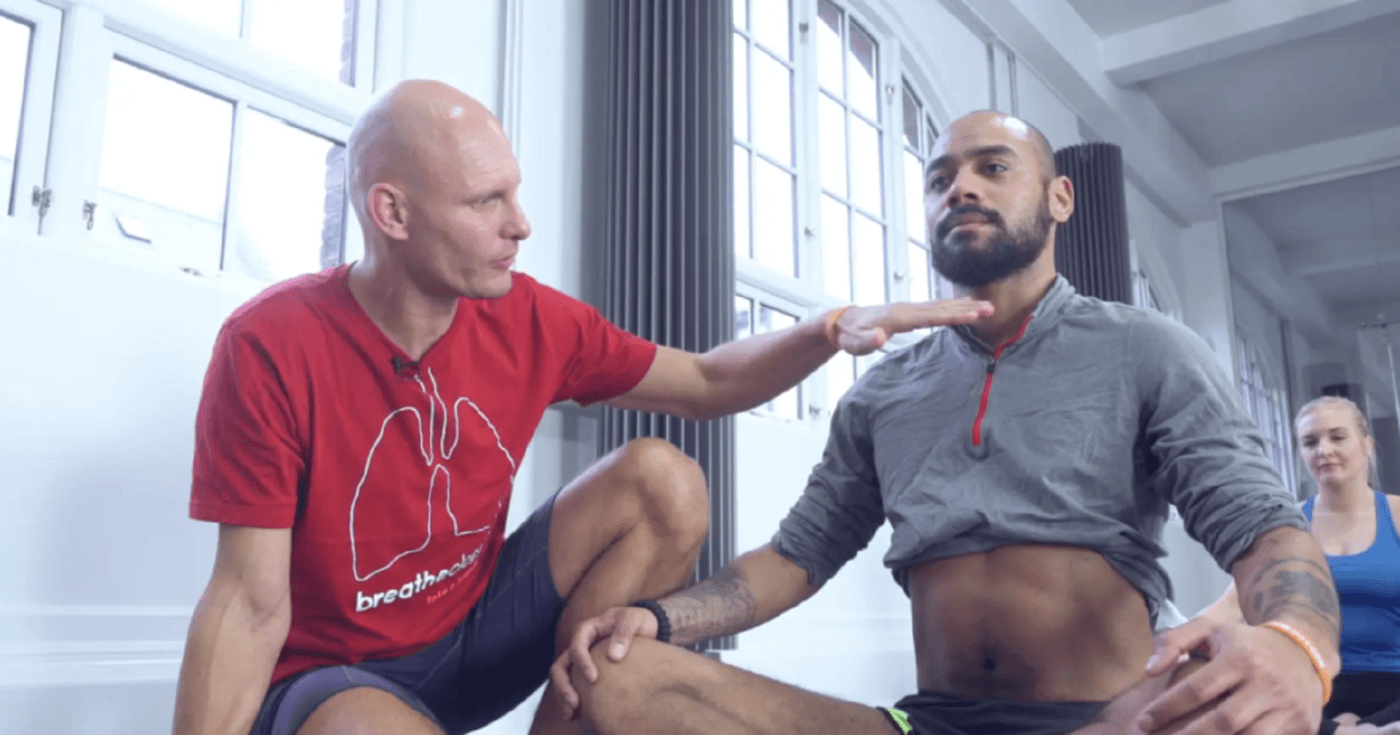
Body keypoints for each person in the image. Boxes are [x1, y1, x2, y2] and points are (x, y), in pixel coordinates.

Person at [169, 80, 994, 735]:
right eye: (485, 202)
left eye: (514, 193)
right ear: (392, 212)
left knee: (662, 481)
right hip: (338, 678)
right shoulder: (270, 344)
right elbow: (248, 601)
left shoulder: (529, 317)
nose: (520, 224)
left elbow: (710, 383)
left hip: (475, 635)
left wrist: (827, 330)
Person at [550, 110, 1344, 735]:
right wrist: (657, 617)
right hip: (928, 722)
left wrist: (1298, 643)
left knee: (1246, 708)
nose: (959, 188)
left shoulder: (1147, 349)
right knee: (617, 674)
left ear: (1059, 197)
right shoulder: (884, 391)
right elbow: (797, 556)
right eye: (939, 180)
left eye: (993, 168)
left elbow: (1266, 531)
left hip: (1113, 718)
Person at [1192, 396, 1400, 735]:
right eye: (1310, 442)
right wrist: (1180, 638)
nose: (1324, 450)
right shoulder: (1287, 526)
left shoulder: (1396, 514)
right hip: (1315, 688)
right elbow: (1235, 602)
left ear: (1366, 444)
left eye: (1337, 436)